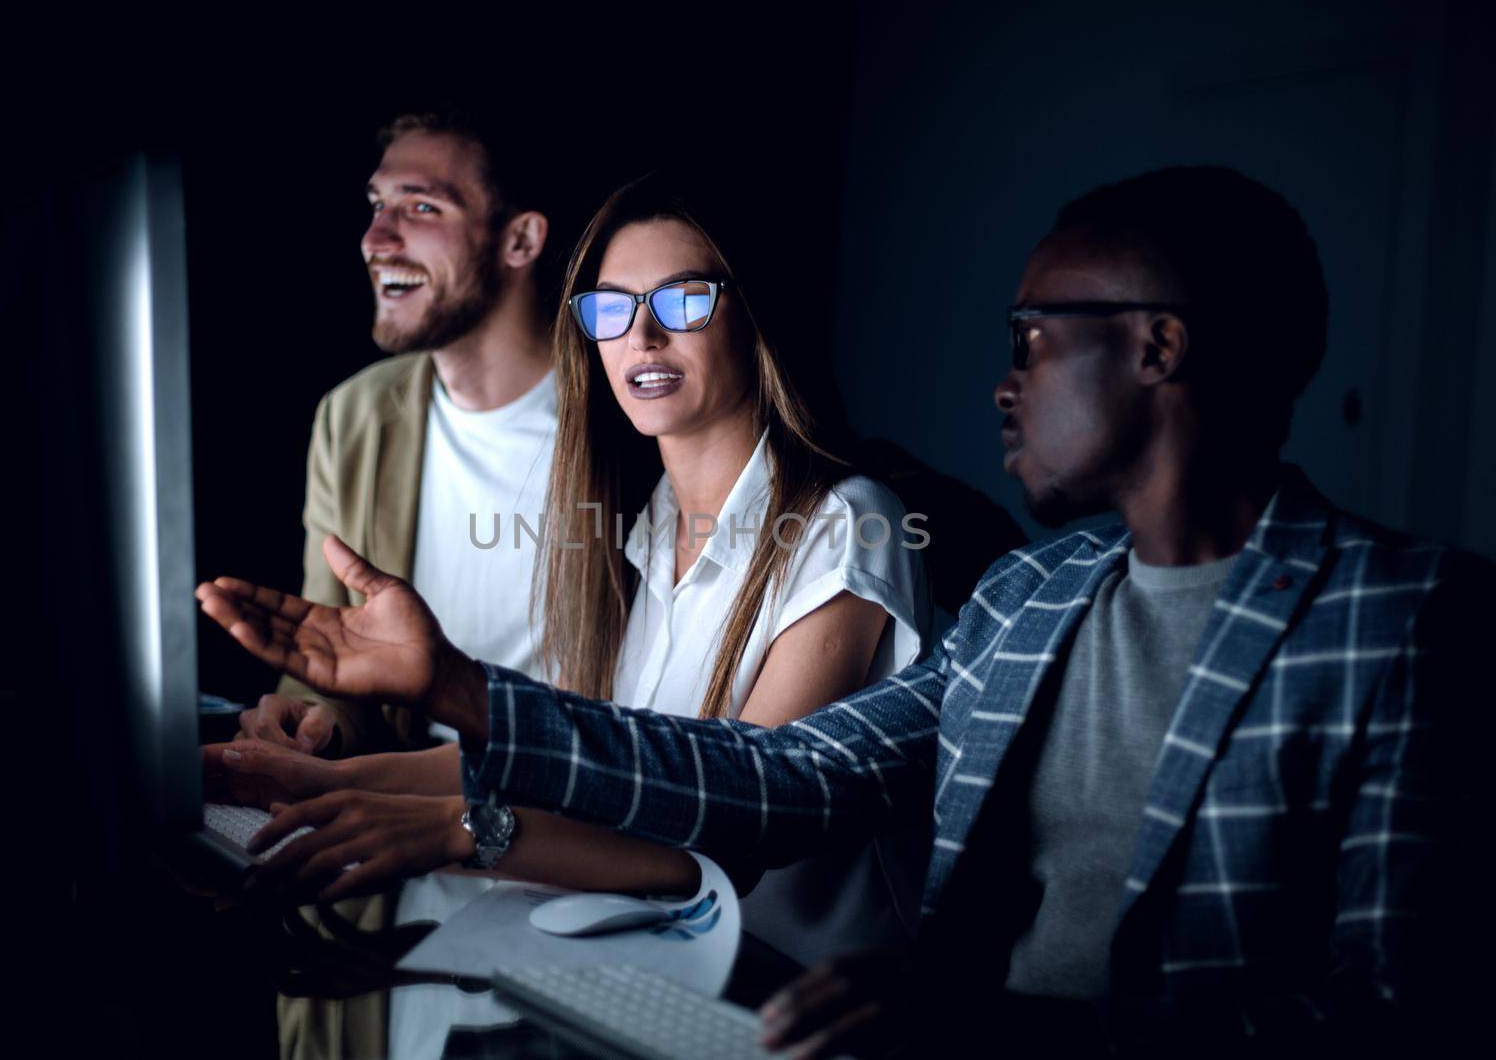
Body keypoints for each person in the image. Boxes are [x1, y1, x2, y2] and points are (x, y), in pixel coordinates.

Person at [199, 166, 1489, 1057]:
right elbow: (776, 778)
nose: (1000, 381)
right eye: (611, 310)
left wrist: (1013, 1036)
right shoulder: (1029, 595)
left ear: (1157, 347)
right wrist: (450, 696)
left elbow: (1406, 1018)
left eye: (1034, 336)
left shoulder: (1408, 616)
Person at [207, 174, 942, 968]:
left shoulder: (850, 523)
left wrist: (460, 830)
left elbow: (738, 819)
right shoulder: (640, 527)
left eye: (682, 300)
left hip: (801, 999)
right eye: (611, 308)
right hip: (668, 976)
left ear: (753, 312)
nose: (642, 337)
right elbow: (593, 768)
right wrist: (312, 784)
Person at [232, 107, 559, 758]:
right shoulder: (351, 417)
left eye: (422, 208)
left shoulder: (633, 418)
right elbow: (330, 663)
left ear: (519, 240)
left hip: (575, 825)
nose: (375, 239)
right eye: (378, 204)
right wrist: (311, 721)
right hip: (402, 814)